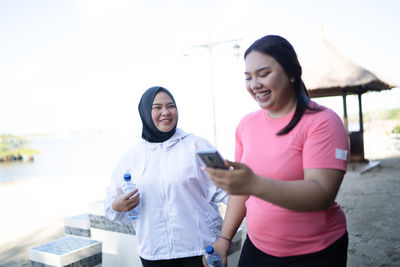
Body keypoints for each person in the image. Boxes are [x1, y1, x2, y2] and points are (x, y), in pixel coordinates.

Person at [202, 35, 350, 267]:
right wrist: (224, 238)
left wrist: (252, 184)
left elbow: (322, 193)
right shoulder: (246, 125)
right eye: (248, 77)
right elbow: (240, 192)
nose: (254, 84)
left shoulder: (323, 121)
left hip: (316, 252)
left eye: (263, 74)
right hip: (258, 248)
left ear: (291, 74)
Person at [105, 86, 228, 267]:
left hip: (201, 252)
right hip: (153, 255)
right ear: (145, 112)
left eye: (171, 106)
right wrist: (118, 205)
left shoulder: (198, 146)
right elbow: (110, 208)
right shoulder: (131, 157)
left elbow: (233, 191)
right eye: (157, 107)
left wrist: (225, 239)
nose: (166, 112)